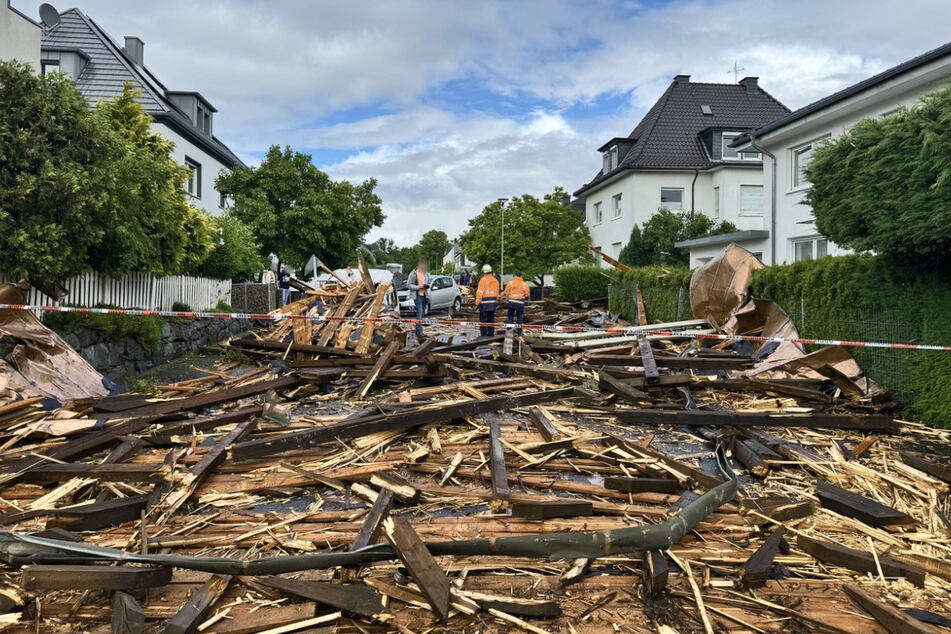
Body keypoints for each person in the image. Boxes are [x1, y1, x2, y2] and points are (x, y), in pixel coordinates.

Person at [406, 260, 431, 340]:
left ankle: (418, 329)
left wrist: (427, 286)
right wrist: (419, 287)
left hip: (425, 295)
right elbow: (409, 285)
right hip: (417, 296)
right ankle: (419, 332)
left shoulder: (426, 273)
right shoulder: (413, 273)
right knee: (419, 313)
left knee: (422, 313)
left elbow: (429, 282)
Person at [475, 264, 500, 336]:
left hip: (484, 304)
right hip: (492, 303)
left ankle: (484, 335)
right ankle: (491, 334)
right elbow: (497, 293)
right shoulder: (495, 280)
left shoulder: (483, 280)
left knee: (483, 320)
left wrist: (477, 303)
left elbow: (480, 293)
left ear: (484, 272)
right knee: (491, 319)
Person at [503, 270, 530, 335]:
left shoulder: (510, 283)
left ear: (515, 275)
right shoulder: (525, 284)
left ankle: (509, 331)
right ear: (521, 276)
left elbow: (506, 292)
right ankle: (519, 332)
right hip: (520, 303)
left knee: (510, 316)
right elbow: (527, 295)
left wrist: (510, 295)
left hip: (512, 302)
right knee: (520, 317)